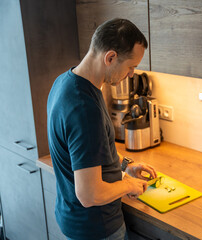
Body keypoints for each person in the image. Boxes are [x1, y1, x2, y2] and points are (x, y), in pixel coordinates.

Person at [47, 18, 157, 240]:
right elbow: (89, 194)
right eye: (131, 66)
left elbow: (89, 153)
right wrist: (128, 185)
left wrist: (125, 166)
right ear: (110, 57)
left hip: (72, 217)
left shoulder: (65, 82)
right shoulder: (84, 108)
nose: (131, 74)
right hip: (96, 228)